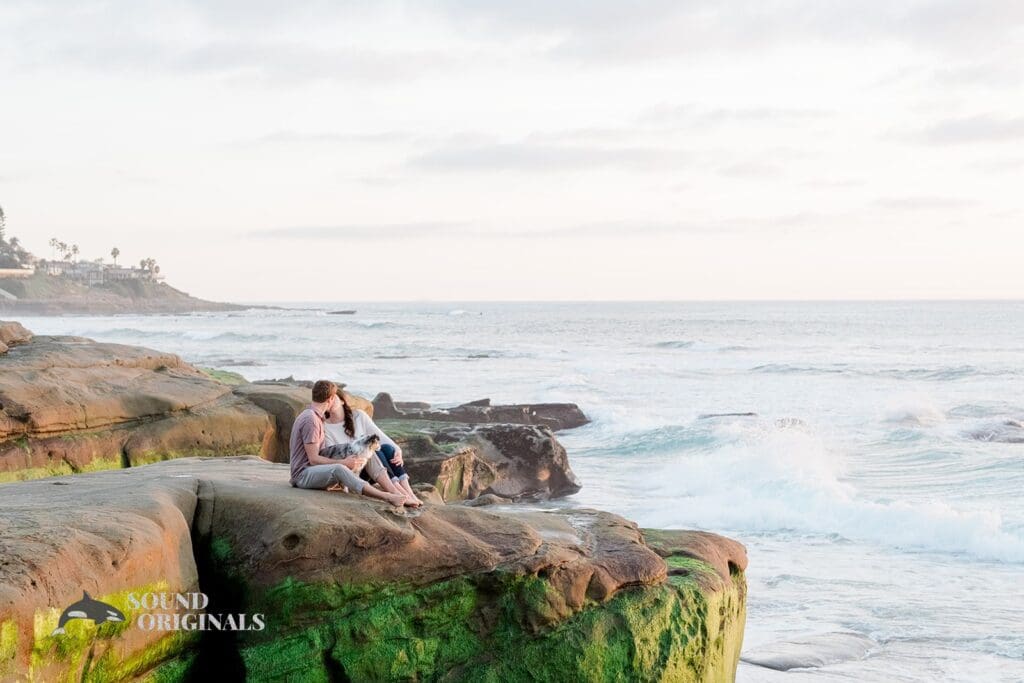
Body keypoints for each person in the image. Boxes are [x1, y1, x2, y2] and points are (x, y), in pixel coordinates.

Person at [289, 379, 407, 508]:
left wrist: (356, 452)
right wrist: (344, 463)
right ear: (331, 398)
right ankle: (387, 497)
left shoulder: (315, 416)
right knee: (339, 468)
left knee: (363, 449)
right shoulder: (311, 420)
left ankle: (394, 491)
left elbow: (321, 453)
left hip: (314, 469)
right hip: (302, 475)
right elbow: (313, 459)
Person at [323, 392, 424, 506]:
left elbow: (379, 436)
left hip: (371, 468)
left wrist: (398, 450)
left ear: (342, 401)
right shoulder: (325, 427)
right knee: (373, 450)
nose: (329, 401)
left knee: (388, 448)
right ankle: (397, 491)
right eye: (326, 400)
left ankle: (408, 492)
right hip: (354, 470)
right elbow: (332, 454)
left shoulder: (358, 416)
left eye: (332, 398)